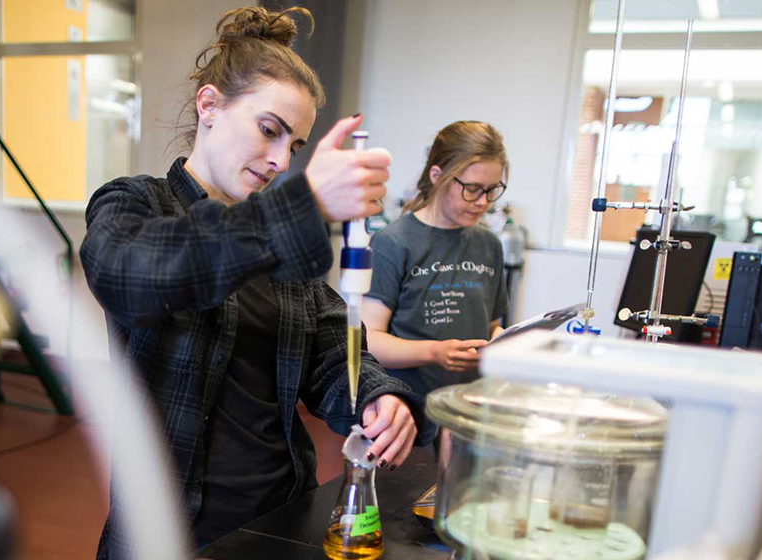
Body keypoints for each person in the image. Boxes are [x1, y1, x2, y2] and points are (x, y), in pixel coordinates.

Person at [79, 6, 432, 556]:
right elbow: (133, 276)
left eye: (293, 146)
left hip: (280, 517)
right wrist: (304, 205)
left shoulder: (284, 242)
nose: (278, 162)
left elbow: (330, 351)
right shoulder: (135, 203)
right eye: (269, 131)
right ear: (210, 105)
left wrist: (378, 400)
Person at [361, 121, 510, 400]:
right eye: (472, 188)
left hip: (468, 401)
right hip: (406, 406)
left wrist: (504, 340)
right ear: (437, 175)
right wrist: (434, 353)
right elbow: (369, 340)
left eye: (491, 190)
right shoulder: (393, 243)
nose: (482, 202)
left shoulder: (489, 245)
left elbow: (489, 326)